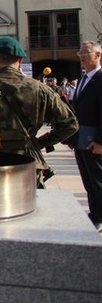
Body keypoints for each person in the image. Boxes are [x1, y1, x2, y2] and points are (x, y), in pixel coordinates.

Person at [0, 37, 78, 188]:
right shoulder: (39, 88)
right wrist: (41, 142)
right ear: (21, 60)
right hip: (27, 159)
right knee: (30, 208)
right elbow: (70, 124)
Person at [67, 41, 102, 229]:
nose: (81, 56)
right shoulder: (82, 79)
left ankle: (100, 215)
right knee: (88, 180)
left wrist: (100, 141)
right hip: (81, 139)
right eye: (79, 52)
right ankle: (95, 213)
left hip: (94, 141)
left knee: (98, 179)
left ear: (97, 55)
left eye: (85, 52)